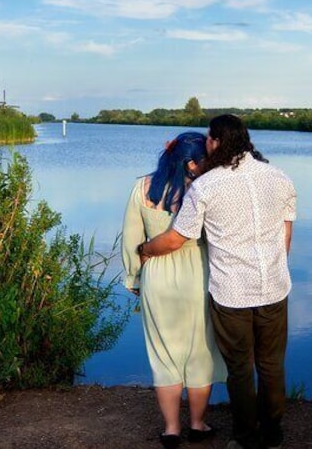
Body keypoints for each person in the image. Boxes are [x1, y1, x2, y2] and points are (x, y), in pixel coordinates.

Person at [138, 114, 296, 449]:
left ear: (217, 142)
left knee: (240, 368)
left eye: (209, 139)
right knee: (271, 365)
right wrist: (271, 269)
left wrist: (144, 249)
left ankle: (246, 438)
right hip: (274, 287)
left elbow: (177, 239)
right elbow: (285, 236)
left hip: (232, 293)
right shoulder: (279, 177)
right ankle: (273, 433)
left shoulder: (207, 186)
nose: (207, 144)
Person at [121, 131, 227, 449]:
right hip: (199, 274)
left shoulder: (142, 188)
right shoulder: (205, 190)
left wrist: (134, 279)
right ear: (192, 163)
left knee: (163, 355)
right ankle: (197, 423)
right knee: (199, 352)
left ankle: (171, 429)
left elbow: (131, 239)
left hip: (157, 276)